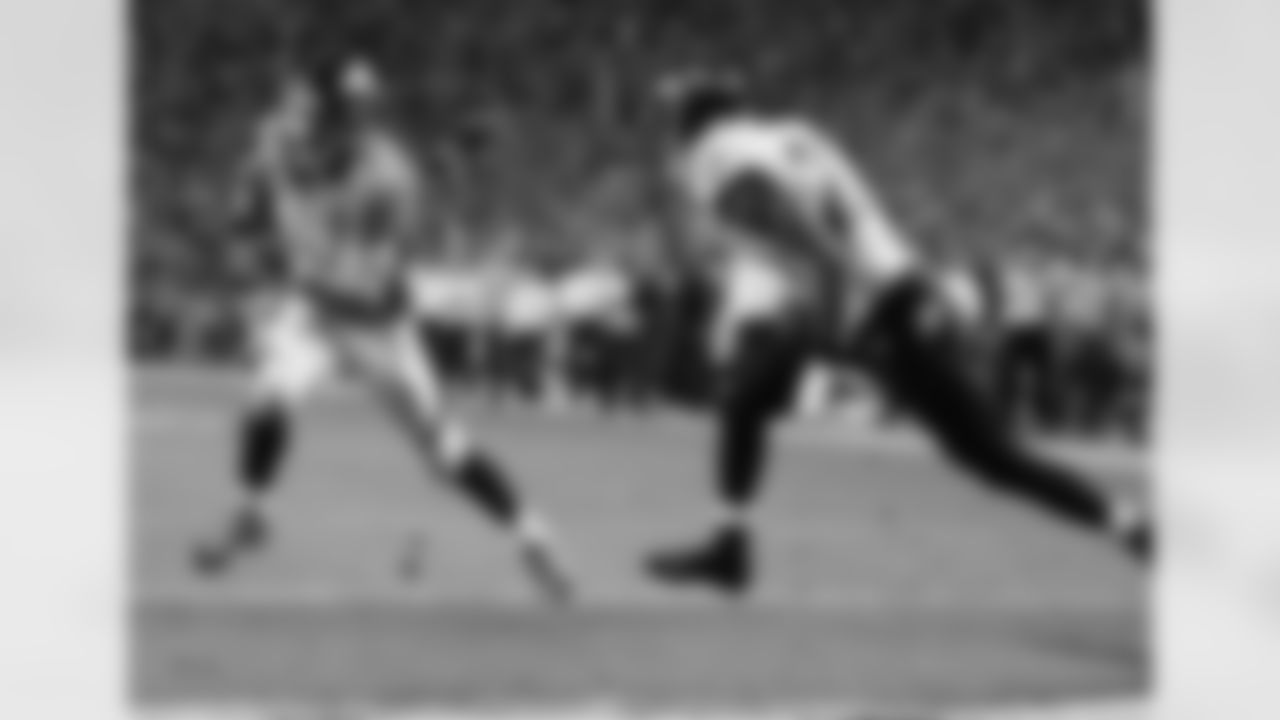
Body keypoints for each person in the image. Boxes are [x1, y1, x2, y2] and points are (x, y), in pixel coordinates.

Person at [644, 72, 1153, 596]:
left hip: (868, 306)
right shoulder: (794, 136)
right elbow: (845, 216)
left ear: (693, 123)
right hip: (892, 294)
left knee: (989, 454)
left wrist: (831, 295)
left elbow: (795, 224)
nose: (670, 135)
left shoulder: (716, 153)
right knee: (746, 396)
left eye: (675, 122)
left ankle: (1129, 522)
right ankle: (730, 543)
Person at [191, 58, 575, 602]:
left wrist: (284, 254)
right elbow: (249, 215)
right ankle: (250, 514)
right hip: (315, 311)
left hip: (375, 324)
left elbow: (361, 268)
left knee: (445, 452)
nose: (352, 125)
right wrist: (249, 227)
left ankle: (532, 536)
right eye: (337, 112)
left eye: (357, 115)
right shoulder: (276, 143)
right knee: (266, 402)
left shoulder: (386, 176)